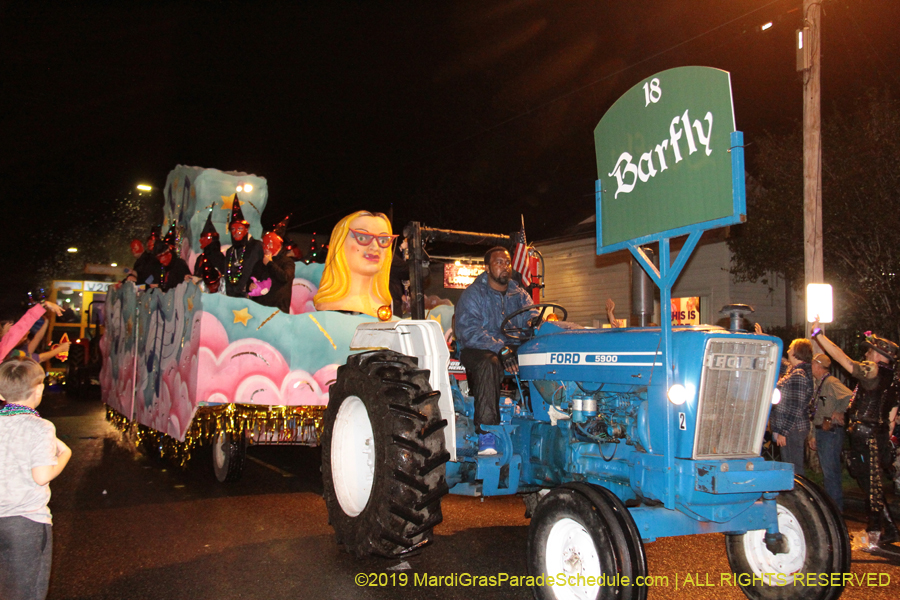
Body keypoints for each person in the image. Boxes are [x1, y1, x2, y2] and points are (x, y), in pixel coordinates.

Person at [813, 323, 900, 547]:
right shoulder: (890, 379)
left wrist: (820, 337)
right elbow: (891, 414)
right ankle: (889, 529)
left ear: (881, 357)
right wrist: (886, 440)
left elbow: (844, 360)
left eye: (869, 351)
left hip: (868, 434)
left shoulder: (874, 372)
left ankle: (874, 532)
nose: (866, 354)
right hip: (873, 433)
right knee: (871, 483)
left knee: (871, 483)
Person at [0, 358, 72, 600]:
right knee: (25, 593)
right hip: (25, 522)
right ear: (39, 389)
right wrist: (65, 454)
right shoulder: (40, 427)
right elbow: (41, 476)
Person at [456, 246, 534, 455]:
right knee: (489, 363)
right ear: (488, 267)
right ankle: (487, 431)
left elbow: (531, 316)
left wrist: (534, 321)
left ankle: (538, 418)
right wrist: (500, 348)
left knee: (540, 358)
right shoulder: (474, 294)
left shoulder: (519, 294)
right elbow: (469, 331)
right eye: (499, 262)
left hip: (511, 346)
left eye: (507, 263)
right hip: (477, 348)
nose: (504, 267)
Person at [313, 211, 396, 317]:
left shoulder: (383, 307)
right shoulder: (330, 309)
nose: (375, 247)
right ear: (340, 243)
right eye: (362, 238)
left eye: (383, 240)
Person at [807, 352, 853, 511]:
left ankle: (835, 509)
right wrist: (813, 435)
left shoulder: (831, 382)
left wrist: (840, 411)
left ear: (819, 365)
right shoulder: (820, 383)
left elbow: (849, 395)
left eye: (813, 364)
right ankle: (833, 507)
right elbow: (817, 411)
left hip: (830, 432)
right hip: (823, 431)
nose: (811, 367)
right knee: (828, 472)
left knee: (830, 472)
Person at [770, 338, 813, 478]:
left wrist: (784, 431)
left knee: (793, 467)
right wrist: (769, 342)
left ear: (796, 353)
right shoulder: (794, 371)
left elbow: (795, 407)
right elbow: (780, 363)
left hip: (793, 429)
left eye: (790, 348)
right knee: (790, 465)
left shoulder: (798, 375)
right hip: (791, 428)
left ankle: (798, 494)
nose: (788, 351)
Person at [224, 195, 263, 298]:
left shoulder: (257, 246)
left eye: (240, 228)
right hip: (231, 297)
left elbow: (262, 268)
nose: (236, 232)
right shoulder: (230, 251)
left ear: (246, 229)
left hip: (251, 297)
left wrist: (252, 284)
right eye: (233, 229)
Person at [249, 230, 295, 313]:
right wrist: (250, 285)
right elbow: (252, 278)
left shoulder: (287, 262)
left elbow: (285, 277)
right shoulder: (260, 263)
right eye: (264, 244)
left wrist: (270, 264)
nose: (266, 247)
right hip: (260, 308)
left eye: (270, 244)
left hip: (277, 310)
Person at [192, 212, 226, 279]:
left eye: (203, 238)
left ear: (210, 239)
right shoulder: (200, 258)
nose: (200, 240)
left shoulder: (219, 258)